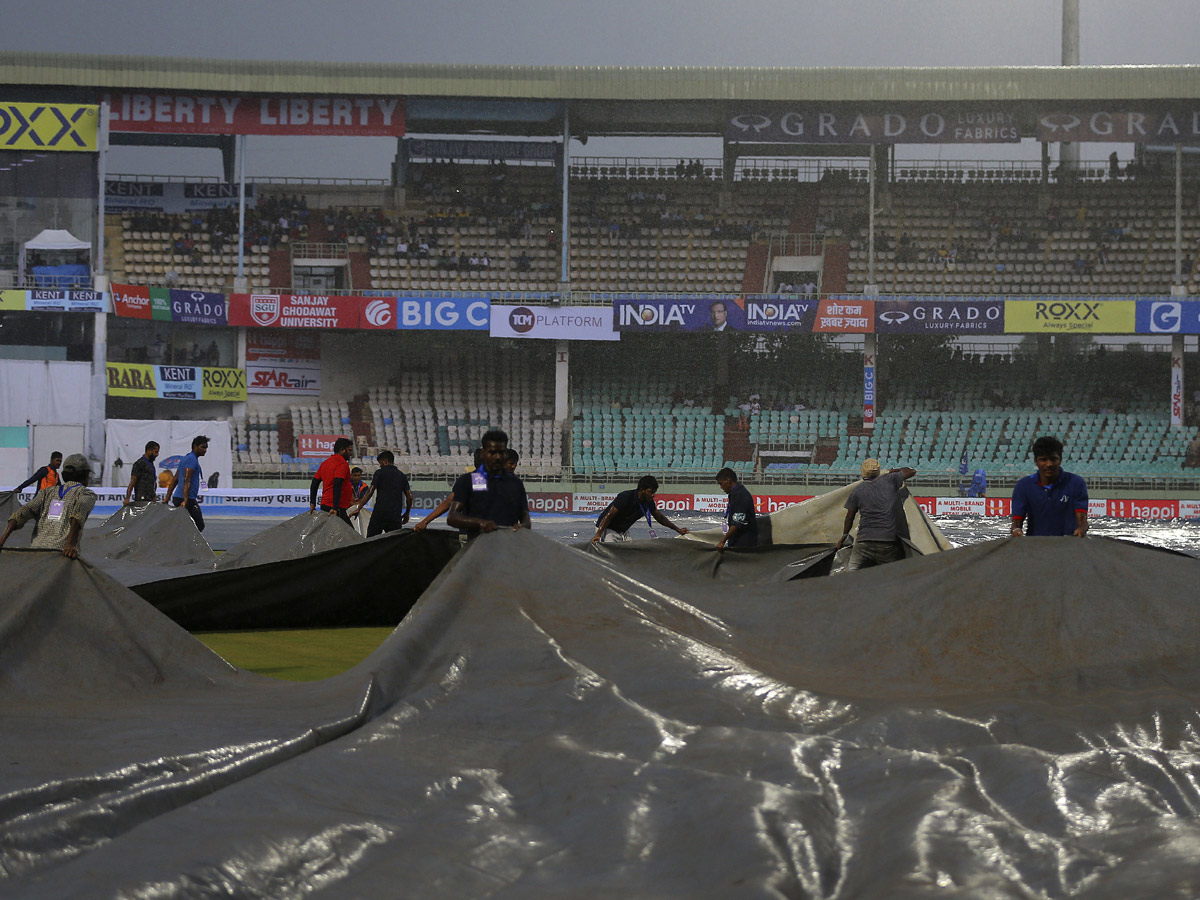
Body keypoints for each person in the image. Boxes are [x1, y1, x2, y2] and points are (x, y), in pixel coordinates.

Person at [0, 453, 96, 558]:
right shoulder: (86, 494)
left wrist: (2, 540)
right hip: (61, 553)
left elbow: (22, 512)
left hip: (37, 550)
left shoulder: (46, 493)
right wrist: (70, 545)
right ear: (85, 475)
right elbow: (78, 514)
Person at [837, 458, 918, 570]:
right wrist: (893, 471)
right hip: (887, 541)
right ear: (878, 470)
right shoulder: (890, 480)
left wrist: (844, 536)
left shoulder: (857, 490)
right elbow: (911, 471)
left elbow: (849, 517)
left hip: (864, 541)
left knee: (852, 574)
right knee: (893, 575)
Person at [446, 430, 530, 535]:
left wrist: (522, 526)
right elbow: (452, 517)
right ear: (483, 453)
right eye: (492, 453)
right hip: (477, 545)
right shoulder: (468, 480)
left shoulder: (516, 484)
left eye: (501, 453)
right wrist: (480, 523)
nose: (497, 457)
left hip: (507, 546)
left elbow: (525, 517)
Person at [1010, 436, 1089, 538]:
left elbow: (1082, 520)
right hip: (1036, 547)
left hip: (1069, 546)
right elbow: (1016, 523)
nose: (1049, 464)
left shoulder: (1076, 483)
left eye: (1053, 459)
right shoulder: (1023, 486)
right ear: (1036, 461)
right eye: (1043, 460)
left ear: (1060, 460)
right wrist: (1016, 531)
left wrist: (1081, 529)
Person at [591, 475, 691, 543]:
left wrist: (678, 530)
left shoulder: (648, 502)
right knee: (611, 556)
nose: (653, 495)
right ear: (642, 490)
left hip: (622, 531)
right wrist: (598, 534)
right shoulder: (625, 497)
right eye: (650, 492)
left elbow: (660, 518)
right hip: (606, 529)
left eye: (654, 492)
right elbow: (610, 515)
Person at [350, 450, 413, 537]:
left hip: (380, 513)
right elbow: (409, 497)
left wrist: (359, 507)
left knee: (371, 541)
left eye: (380, 463)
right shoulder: (402, 475)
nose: (380, 465)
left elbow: (370, 491)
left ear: (385, 461)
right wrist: (407, 513)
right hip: (395, 515)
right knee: (394, 542)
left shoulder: (379, 473)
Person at [163, 435, 209, 532]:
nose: (205, 450)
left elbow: (175, 479)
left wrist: (167, 497)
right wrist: (185, 500)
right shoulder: (191, 459)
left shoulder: (186, 458)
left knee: (185, 525)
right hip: (186, 499)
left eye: (206, 447)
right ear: (195, 446)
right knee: (199, 525)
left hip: (180, 497)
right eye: (203, 447)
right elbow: (186, 480)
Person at [309, 437, 355, 525]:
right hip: (336, 508)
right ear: (342, 450)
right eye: (349, 450)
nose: (351, 453)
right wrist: (335, 507)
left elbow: (314, 483)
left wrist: (312, 503)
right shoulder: (342, 464)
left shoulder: (325, 463)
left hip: (325, 505)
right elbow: (337, 484)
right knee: (349, 535)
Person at [715, 467, 757, 550]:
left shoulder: (741, 495)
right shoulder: (735, 493)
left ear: (728, 480)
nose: (721, 487)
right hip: (738, 540)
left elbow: (737, 522)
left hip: (743, 543)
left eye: (721, 483)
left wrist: (722, 541)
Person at [123, 441, 160, 505]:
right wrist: (127, 498)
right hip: (141, 498)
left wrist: (154, 495)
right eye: (156, 452)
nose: (157, 454)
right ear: (149, 451)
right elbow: (132, 481)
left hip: (150, 498)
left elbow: (152, 481)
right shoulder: (139, 463)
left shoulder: (150, 464)